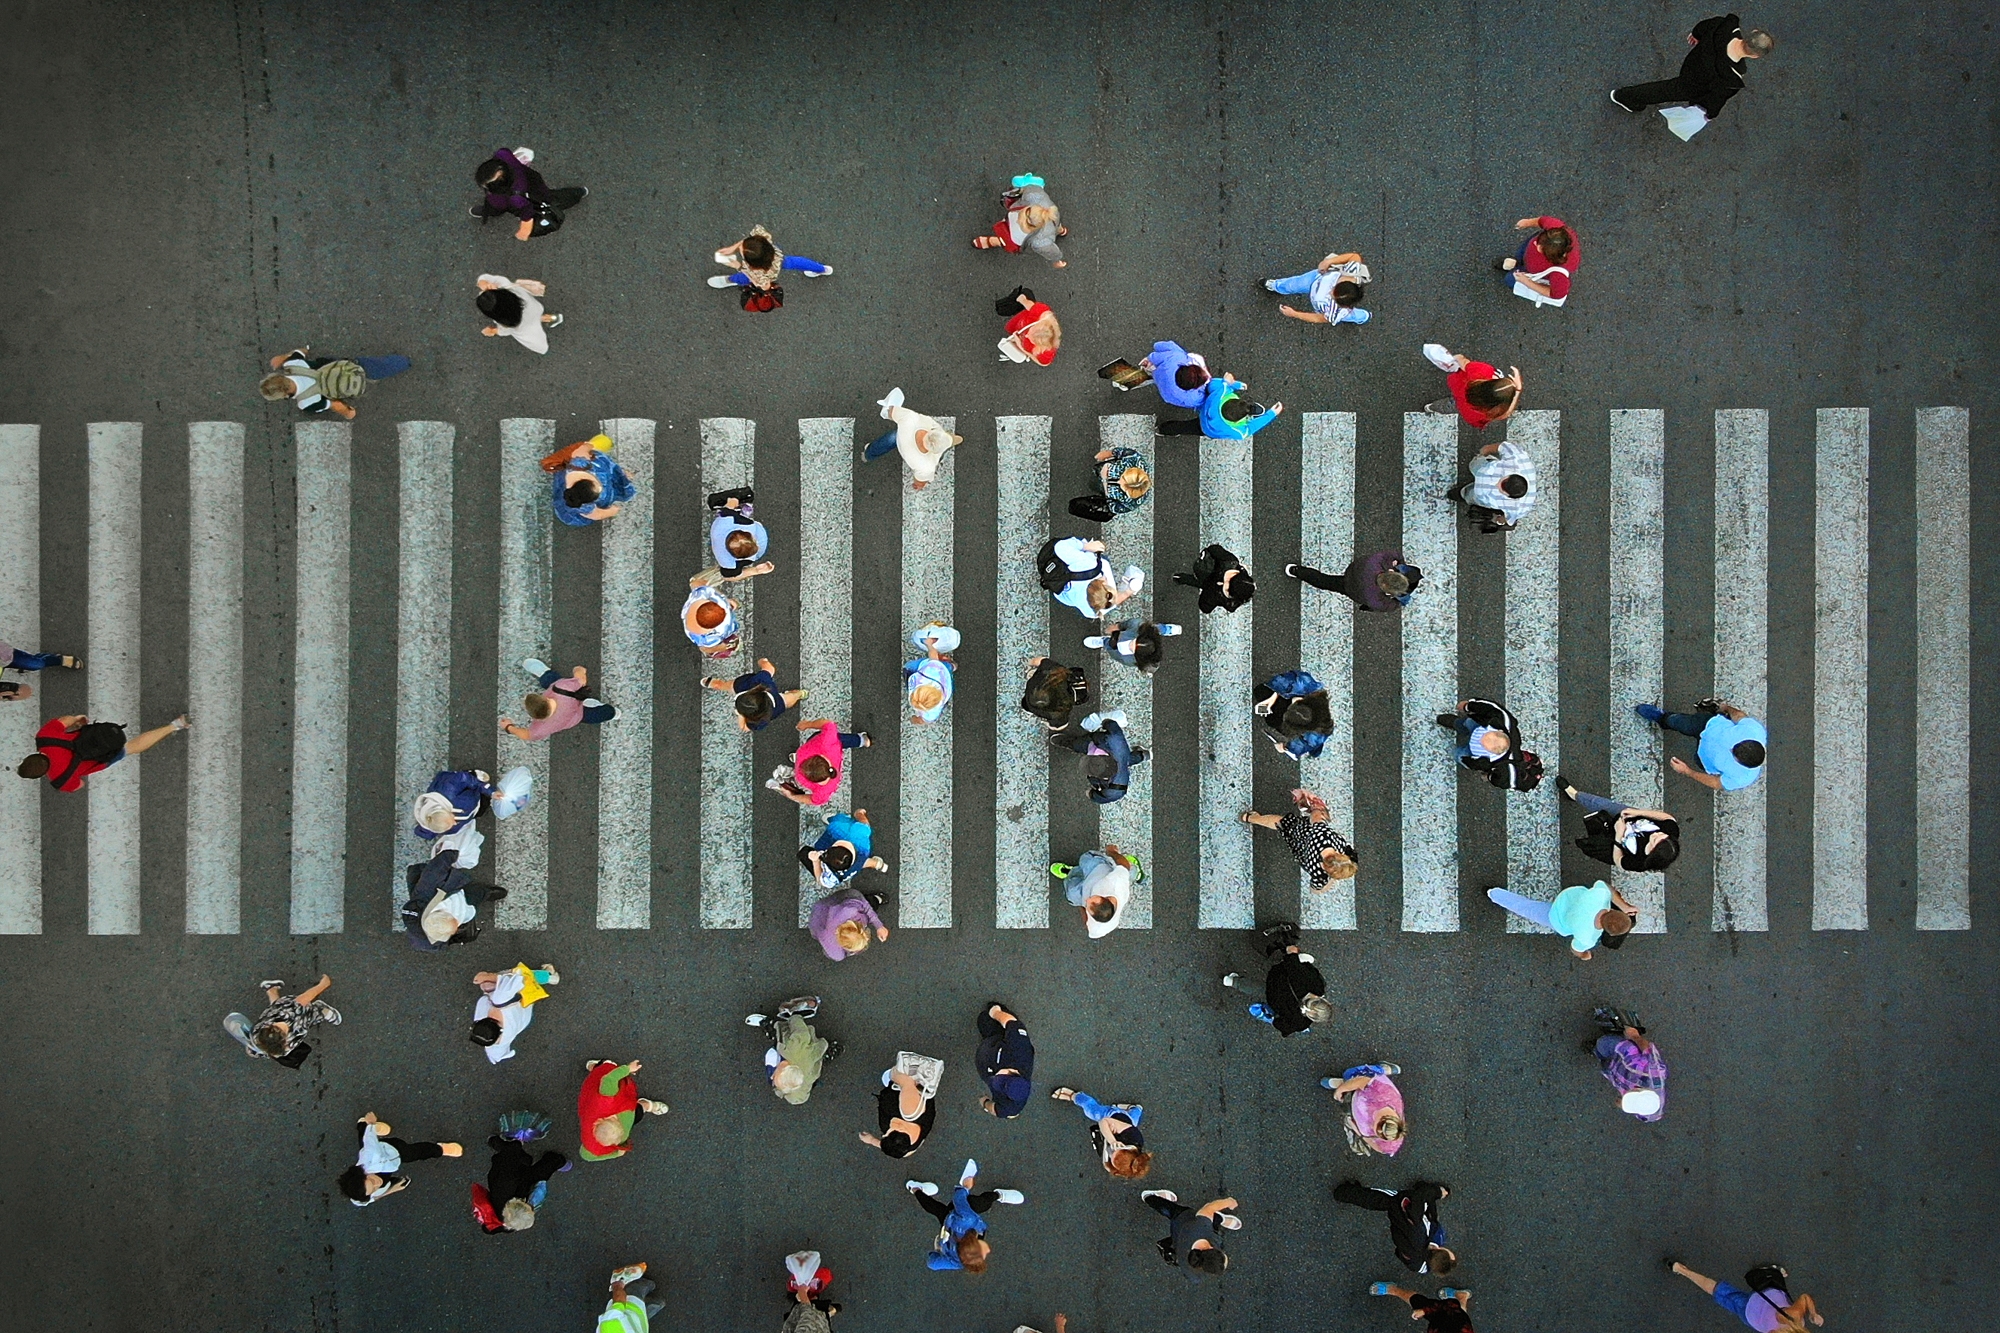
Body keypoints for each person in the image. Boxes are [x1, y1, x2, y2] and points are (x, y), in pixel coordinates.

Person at [1611, 17, 1775, 122]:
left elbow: (1705, 25)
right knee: (1666, 91)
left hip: (1693, 61)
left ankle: (1627, 97)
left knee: (1669, 88)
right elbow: (1715, 100)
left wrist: (1697, 34)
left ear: (1752, 33)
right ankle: (1625, 96)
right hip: (1694, 82)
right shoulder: (1730, 79)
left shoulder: (1724, 27)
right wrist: (1710, 114)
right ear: (1755, 56)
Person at [18, 712, 188, 792]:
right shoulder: (44, 738)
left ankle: (175, 725)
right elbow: (67, 720)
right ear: (30, 756)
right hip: (96, 734)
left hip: (103, 756)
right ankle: (176, 723)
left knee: (131, 748)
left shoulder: (60, 780)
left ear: (41, 775)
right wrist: (78, 720)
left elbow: (80, 785)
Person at [908, 1159, 1026, 1272]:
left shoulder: (967, 1219)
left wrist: (965, 1187)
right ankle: (915, 1189)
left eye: (983, 1252)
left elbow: (958, 1199)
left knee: (980, 1203)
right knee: (935, 1209)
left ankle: (999, 1195)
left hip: (957, 1216)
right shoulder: (957, 1262)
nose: (988, 1251)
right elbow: (932, 1264)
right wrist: (937, 1251)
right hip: (948, 1227)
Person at [1222, 922, 1333, 1035]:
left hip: (1277, 974)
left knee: (1294, 960)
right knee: (1259, 990)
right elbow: (1280, 1025)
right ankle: (1232, 981)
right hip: (1272, 994)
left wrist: (1292, 950)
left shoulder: (1315, 986)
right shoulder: (1300, 1023)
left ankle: (1275, 954)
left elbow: (1294, 963)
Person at [1635, 698, 1767, 791]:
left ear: (1741, 762)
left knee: (1696, 756)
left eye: (1733, 754)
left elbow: (1716, 783)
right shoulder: (1754, 730)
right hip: (1707, 725)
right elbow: (1738, 715)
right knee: (1677, 721)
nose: (1731, 748)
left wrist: (1687, 771)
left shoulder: (1743, 778)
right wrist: (1725, 707)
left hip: (1704, 759)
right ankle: (1663, 718)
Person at [1240, 790, 1357, 893]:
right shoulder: (1319, 874)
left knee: (1282, 822)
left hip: (1303, 831)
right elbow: (1316, 889)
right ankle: (1251, 818)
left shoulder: (1324, 837)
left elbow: (1316, 817)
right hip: (1301, 850)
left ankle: (1251, 817)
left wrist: (1315, 806)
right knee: (1285, 830)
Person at [1486, 880, 1638, 958]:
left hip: (1567, 898)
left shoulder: (1600, 896)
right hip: (1556, 919)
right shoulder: (1587, 937)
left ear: (1612, 909)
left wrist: (1624, 905)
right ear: (1608, 932)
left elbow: (1603, 885)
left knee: (1525, 905)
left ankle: (1493, 892)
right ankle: (1494, 895)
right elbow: (1576, 949)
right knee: (1527, 909)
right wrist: (1585, 955)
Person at [338, 1111, 462, 1206]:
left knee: (414, 1152)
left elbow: (369, 1140)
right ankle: (366, 1126)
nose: (377, 1184)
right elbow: (368, 1200)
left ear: (363, 1174)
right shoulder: (359, 1197)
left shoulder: (371, 1154)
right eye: (373, 1189)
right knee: (363, 1143)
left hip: (392, 1149)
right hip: (388, 1163)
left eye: (372, 1181)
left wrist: (371, 1124)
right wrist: (393, 1189)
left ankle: (439, 1149)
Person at [1557, 775, 1680, 871]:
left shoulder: (1641, 862)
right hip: (1627, 816)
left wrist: (1619, 835)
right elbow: (1667, 818)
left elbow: (1618, 860)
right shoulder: (1671, 832)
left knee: (1592, 840)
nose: (1656, 834)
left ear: (1652, 852)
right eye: (1661, 835)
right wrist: (1638, 812)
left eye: (1654, 840)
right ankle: (1574, 795)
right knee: (1598, 804)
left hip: (1614, 842)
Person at [1335, 1181, 1455, 1275]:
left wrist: (1438, 1192)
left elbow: (1419, 1198)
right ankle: (1347, 1193)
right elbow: (1399, 1253)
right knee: (1380, 1202)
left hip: (1402, 1208)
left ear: (1438, 1249)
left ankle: (1343, 1192)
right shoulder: (1419, 1266)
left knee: (1379, 1198)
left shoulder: (1422, 1229)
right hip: (1398, 1230)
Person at [1667, 1260, 1822, 1331]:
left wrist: (1813, 1314)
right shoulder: (1790, 1320)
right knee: (1716, 1290)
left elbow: (1805, 1298)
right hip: (1749, 1312)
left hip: (1767, 1298)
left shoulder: (1795, 1317)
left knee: (1772, 1283)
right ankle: (1681, 1270)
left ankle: (1771, 1272)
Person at [470, 146, 587, 240]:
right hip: (534, 183)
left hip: (533, 194)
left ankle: (575, 194)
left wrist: (524, 232)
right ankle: (578, 193)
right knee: (551, 197)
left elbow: (527, 214)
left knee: (552, 200)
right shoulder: (503, 155)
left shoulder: (516, 199)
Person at [258, 347, 410, 419]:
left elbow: (335, 405)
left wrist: (349, 413)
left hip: (352, 387)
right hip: (350, 368)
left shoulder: (306, 403)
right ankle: (404, 362)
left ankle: (402, 364)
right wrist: (283, 356)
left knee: (366, 382)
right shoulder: (293, 364)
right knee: (385, 365)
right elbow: (303, 350)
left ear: (284, 394)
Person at [401, 850, 507, 951]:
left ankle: (485, 893)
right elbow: (438, 946)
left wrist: (452, 853)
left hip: (455, 894)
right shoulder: (424, 941)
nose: (457, 928)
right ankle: (483, 894)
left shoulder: (426, 891)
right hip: (455, 902)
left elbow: (435, 869)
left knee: (474, 893)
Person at [223, 975, 339, 1067]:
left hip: (283, 1009)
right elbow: (305, 998)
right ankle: (321, 1010)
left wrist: (323, 985)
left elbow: (303, 999)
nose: (271, 1024)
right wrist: (324, 984)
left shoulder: (279, 1049)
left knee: (278, 1010)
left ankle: (323, 1012)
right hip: (283, 1009)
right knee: (309, 1013)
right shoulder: (290, 1015)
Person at [476, 1123, 569, 1233]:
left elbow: (508, 1159)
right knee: (537, 1170)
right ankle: (555, 1160)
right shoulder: (511, 1221)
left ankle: (501, 1144)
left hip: (509, 1171)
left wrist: (517, 1143)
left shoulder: (504, 1184)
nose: (531, 1206)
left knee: (518, 1156)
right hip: (521, 1185)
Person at [745, 995, 836, 1106]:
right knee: (789, 1035)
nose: (772, 1076)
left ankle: (773, 1027)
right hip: (807, 1054)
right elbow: (800, 1031)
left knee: (783, 1039)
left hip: (810, 1057)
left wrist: (779, 1090)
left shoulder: (795, 1053)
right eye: (775, 1075)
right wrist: (795, 1017)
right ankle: (777, 1026)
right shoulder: (795, 1046)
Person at [1436, 698, 1543, 791]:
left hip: (1472, 750)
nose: (1480, 740)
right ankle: (1457, 724)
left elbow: (1502, 780)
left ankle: (1460, 731)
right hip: (1479, 728)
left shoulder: (1496, 766)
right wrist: (1468, 706)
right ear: (1500, 731)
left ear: (1490, 754)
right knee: (1468, 723)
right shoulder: (1503, 722)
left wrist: (1490, 775)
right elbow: (1492, 708)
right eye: (1486, 736)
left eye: (1482, 745)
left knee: (1459, 755)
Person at [865, 388, 962, 491]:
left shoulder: (911, 419)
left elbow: (891, 412)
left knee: (888, 440)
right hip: (907, 451)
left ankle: (868, 454)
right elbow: (919, 481)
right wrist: (918, 486)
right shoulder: (926, 466)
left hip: (901, 437)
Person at [709, 224, 833, 304]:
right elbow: (749, 242)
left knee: (743, 277)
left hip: (765, 272)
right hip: (776, 257)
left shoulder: (756, 271)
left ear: (751, 263)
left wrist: (738, 266)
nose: (739, 249)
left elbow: (764, 285)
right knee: (795, 262)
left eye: (741, 252)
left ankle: (730, 280)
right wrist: (733, 248)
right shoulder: (763, 240)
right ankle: (821, 269)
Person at [502, 658, 616, 742]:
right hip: (572, 698)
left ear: (536, 717)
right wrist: (578, 669)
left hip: (577, 717)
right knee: (551, 680)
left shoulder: (540, 728)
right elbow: (580, 677)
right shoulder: (562, 687)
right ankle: (543, 672)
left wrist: (509, 727)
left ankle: (602, 709)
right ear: (544, 698)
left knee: (607, 714)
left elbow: (527, 735)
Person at [1049, 1086, 1151, 1178]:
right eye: (1116, 1149)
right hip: (1113, 1116)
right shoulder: (1131, 1135)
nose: (1111, 1151)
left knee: (1133, 1119)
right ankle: (1074, 1096)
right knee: (1092, 1110)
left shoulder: (1124, 1160)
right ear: (1127, 1148)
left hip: (1127, 1123)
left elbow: (1107, 1164)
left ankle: (1136, 1108)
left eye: (1111, 1155)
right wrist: (1112, 1141)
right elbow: (1104, 1121)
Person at [577, 1059, 668, 1162]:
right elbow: (585, 1155)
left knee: (602, 1071)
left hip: (599, 1093)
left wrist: (628, 1069)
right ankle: (645, 1105)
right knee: (637, 1113)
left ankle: (598, 1066)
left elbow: (608, 1079)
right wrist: (615, 1154)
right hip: (624, 1108)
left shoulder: (606, 1100)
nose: (616, 1117)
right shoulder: (592, 1142)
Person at [766, 718, 871, 807]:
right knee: (839, 739)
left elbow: (812, 800)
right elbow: (827, 724)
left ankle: (862, 740)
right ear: (820, 756)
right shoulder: (826, 741)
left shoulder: (819, 789)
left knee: (834, 739)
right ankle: (861, 740)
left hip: (833, 758)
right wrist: (808, 724)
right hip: (833, 748)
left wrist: (792, 796)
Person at [1586, 1006, 1667, 1120]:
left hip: (1616, 1073)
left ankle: (1598, 1053)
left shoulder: (1648, 1113)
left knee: (1605, 1063)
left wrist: (1624, 1104)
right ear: (1641, 1089)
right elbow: (1647, 1048)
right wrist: (1635, 1036)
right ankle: (1597, 1046)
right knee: (1603, 1044)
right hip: (1625, 1051)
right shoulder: (1653, 1069)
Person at [469, 963, 560, 1064]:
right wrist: (486, 976)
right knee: (512, 976)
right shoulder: (500, 999)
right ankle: (548, 975)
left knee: (488, 986)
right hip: (517, 997)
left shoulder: (494, 1047)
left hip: (523, 1017)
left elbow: (497, 1057)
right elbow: (519, 978)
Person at [1052, 710, 1148, 805]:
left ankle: (1143, 755)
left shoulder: (1115, 741)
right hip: (1118, 755)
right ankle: (1143, 755)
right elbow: (1093, 795)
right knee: (1125, 761)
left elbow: (1110, 724)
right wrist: (1091, 793)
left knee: (1126, 759)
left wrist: (1102, 723)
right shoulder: (1115, 790)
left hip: (1103, 746)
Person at [972, 173, 1068, 266]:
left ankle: (993, 241)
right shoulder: (1033, 198)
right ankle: (1060, 230)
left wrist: (1057, 259)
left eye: (1021, 224)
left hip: (1018, 238)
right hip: (1054, 220)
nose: (1018, 221)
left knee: (1005, 240)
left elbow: (1051, 251)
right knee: (1055, 225)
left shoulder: (1039, 241)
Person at [1139, 1190, 1239, 1277]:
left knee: (1168, 1209)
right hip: (1178, 1237)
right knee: (1211, 1223)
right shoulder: (1191, 1273)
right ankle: (1220, 1219)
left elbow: (1209, 1208)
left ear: (1211, 1248)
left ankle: (1149, 1197)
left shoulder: (1201, 1227)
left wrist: (1229, 1202)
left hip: (1183, 1218)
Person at [1041, 536, 1144, 620]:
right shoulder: (1090, 610)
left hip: (1060, 572)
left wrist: (1086, 546)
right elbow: (1112, 602)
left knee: (1095, 551)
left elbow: (1060, 547)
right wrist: (1128, 591)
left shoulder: (1088, 565)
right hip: (1060, 591)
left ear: (1102, 583)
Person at [1448, 439, 1538, 532]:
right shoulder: (1517, 459)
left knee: (1472, 492)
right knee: (1473, 492)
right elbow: (1503, 447)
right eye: (1502, 482)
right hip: (1483, 479)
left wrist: (1485, 451)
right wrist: (1498, 520)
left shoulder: (1518, 459)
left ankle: (1463, 493)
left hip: (1484, 474)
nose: (1496, 484)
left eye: (1501, 488)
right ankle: (1462, 493)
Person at [1158, 373, 1283, 440]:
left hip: (1205, 412)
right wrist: (1271, 414)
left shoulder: (1221, 393)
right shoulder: (1235, 431)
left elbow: (1213, 384)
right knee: (1188, 429)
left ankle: (1163, 428)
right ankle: (1163, 431)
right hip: (1206, 429)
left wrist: (1232, 384)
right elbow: (1250, 429)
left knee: (1183, 426)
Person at [1287, 550, 1422, 612]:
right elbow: (1392, 606)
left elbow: (1395, 554)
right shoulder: (1375, 599)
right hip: (1349, 587)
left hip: (1354, 571)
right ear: (1387, 589)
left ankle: (1296, 570)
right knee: (1324, 582)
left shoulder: (1375, 562)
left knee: (1324, 579)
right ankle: (1297, 572)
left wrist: (1397, 563)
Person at [1047, 845, 1139, 936]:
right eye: (1092, 898)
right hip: (1100, 869)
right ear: (1106, 898)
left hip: (1088, 883)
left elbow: (1086, 923)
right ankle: (1134, 869)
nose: (1087, 900)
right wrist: (1112, 852)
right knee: (1086, 858)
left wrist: (1082, 906)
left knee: (1071, 893)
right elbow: (1124, 866)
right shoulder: (1115, 884)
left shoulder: (1097, 928)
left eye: (1087, 904)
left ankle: (1074, 872)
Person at [1421, 346, 1520, 429]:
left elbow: (1464, 363)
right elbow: (1505, 414)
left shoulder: (1482, 372)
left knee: (1452, 399)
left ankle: (1431, 407)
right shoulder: (1492, 412)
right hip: (1464, 407)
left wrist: (1458, 357)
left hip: (1459, 387)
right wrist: (1518, 391)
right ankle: (1432, 408)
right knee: (1450, 406)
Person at [1262, 250, 1372, 326]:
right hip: (1316, 279)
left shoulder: (1335, 312)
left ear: (1341, 305)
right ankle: (1275, 286)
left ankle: (1362, 317)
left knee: (1350, 316)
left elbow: (1319, 318)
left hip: (1317, 287)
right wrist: (1328, 262)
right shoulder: (1349, 275)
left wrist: (1294, 314)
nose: (1329, 291)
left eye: (1332, 295)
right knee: (1293, 284)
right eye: (1334, 288)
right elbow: (1355, 257)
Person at [546, 434, 634, 526]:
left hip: (572, 487)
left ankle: (620, 476)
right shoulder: (583, 507)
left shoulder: (578, 465)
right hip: (575, 503)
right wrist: (611, 511)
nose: (601, 486)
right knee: (609, 483)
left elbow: (581, 449)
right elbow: (597, 514)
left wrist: (590, 445)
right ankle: (620, 477)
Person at [1320, 1063, 1406, 1157]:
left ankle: (1347, 1085)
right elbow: (1362, 1081)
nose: (1371, 1126)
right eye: (1375, 1124)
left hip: (1357, 1107)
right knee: (1349, 1074)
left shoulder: (1391, 1141)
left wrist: (1357, 1130)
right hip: (1365, 1086)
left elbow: (1378, 1146)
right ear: (1385, 1117)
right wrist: (1340, 1090)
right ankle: (1382, 1069)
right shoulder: (1382, 1094)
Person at [702, 657, 807, 734]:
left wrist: (762, 662)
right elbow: (769, 668)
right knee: (787, 701)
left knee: (729, 685)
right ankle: (799, 694)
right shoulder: (761, 682)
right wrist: (763, 662)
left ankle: (719, 685)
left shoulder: (760, 720)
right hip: (776, 705)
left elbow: (744, 728)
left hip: (741, 685)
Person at [1495, 216, 1578, 308]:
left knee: (1509, 280)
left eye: (1542, 249)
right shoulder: (1557, 233)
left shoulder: (1559, 274)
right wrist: (1527, 222)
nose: (1536, 245)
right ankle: (1517, 263)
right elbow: (1542, 221)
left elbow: (1556, 294)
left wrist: (1527, 282)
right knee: (1520, 255)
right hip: (1528, 257)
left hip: (1532, 273)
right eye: (1539, 241)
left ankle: (1515, 266)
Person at [801, 811, 890, 896]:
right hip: (860, 853)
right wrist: (859, 814)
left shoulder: (836, 827)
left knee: (805, 852)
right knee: (861, 861)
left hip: (845, 838)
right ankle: (876, 864)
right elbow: (865, 824)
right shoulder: (860, 846)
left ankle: (876, 864)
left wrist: (815, 861)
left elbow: (822, 881)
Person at [1254, 670, 1335, 760]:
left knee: (1272, 720)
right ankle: (1315, 751)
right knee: (1260, 692)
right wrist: (1272, 699)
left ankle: (1315, 751)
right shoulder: (1302, 683)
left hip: (1313, 736)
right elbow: (1282, 682)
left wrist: (1284, 747)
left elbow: (1298, 746)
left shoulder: (1316, 735)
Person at [701, 488, 775, 584]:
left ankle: (741, 508)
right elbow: (728, 577)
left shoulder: (724, 522)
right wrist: (756, 571)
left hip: (755, 547)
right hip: (758, 536)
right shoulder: (727, 564)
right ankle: (742, 508)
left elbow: (729, 577)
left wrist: (756, 570)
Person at [862, 1065, 936, 1158]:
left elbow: (906, 1153)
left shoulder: (908, 1146)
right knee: (896, 1075)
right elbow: (907, 1081)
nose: (884, 1133)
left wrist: (872, 1140)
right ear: (900, 1129)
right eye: (887, 1134)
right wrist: (893, 1074)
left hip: (903, 1096)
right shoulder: (909, 1110)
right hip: (911, 1089)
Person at [476, 274, 562, 352]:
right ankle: (550, 318)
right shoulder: (505, 285)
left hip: (525, 322)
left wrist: (492, 331)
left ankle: (547, 318)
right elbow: (484, 277)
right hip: (533, 308)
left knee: (534, 324)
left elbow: (505, 331)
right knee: (535, 317)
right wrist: (485, 284)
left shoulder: (511, 323)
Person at [975, 1003, 1035, 1118]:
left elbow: (995, 1110)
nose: (997, 1075)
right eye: (1002, 1077)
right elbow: (1012, 1023)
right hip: (995, 1038)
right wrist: (995, 1012)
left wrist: (985, 1103)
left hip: (984, 1060)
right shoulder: (1020, 1050)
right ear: (1015, 1072)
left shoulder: (1011, 1107)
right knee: (984, 1019)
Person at [807, 881, 890, 961]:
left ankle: (875, 899)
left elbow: (863, 904)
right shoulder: (848, 913)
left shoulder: (849, 911)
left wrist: (879, 926)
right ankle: (876, 899)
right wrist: (878, 926)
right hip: (823, 915)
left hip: (823, 912)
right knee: (864, 904)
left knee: (857, 897)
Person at [411, 767, 497, 843]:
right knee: (483, 807)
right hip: (470, 806)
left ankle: (473, 774)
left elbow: (464, 778)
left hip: (468, 794)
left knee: (471, 782)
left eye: (452, 819)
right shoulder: (434, 823)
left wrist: (490, 791)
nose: (455, 823)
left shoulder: (448, 789)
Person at [1173, 543, 1254, 613]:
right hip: (1210, 572)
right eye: (1228, 579)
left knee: (1202, 583)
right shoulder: (1229, 562)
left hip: (1209, 585)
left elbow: (1205, 607)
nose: (1221, 583)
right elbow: (1214, 549)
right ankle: (1181, 579)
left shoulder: (1228, 602)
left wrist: (1212, 595)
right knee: (1203, 581)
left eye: (1226, 589)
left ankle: (1182, 579)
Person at [1083, 619, 1181, 676]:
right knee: (1154, 628)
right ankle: (1166, 629)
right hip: (1144, 632)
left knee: (1112, 649)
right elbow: (1122, 625)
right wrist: (1115, 628)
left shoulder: (1132, 660)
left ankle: (1105, 642)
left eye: (1132, 649)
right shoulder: (1137, 625)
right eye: (1134, 641)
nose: (1129, 645)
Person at [904, 625, 958, 725]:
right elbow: (933, 658)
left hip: (945, 682)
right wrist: (929, 645)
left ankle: (952, 667)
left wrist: (914, 719)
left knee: (910, 667)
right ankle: (952, 665)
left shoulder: (933, 710)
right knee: (947, 666)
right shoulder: (930, 673)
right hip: (940, 672)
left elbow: (923, 720)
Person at [1019, 657, 1091, 731]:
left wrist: (1030, 662)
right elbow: (1060, 727)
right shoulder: (1058, 714)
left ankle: (1034, 673)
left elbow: (1038, 660)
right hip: (1036, 706)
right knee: (1026, 705)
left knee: (1025, 703)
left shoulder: (1052, 669)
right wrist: (1049, 724)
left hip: (1038, 685)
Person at [1367, 1284, 1474, 1333]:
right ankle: (1393, 1289)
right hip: (1444, 1316)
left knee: (1461, 1314)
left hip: (1445, 1324)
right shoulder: (1461, 1327)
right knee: (1418, 1302)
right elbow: (1451, 1305)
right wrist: (1425, 1310)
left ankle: (1462, 1296)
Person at [0, 637, 80, 702]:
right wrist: (14, 690)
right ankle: (26, 664)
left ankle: (57, 659)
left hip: (4, 657)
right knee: (33, 664)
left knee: (36, 664)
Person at [997, 287, 1061, 366]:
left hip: (1020, 325)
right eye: (1031, 331)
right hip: (1019, 322)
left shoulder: (1046, 353)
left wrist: (1022, 348)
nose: (1026, 335)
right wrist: (1021, 299)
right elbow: (1023, 300)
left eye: (1032, 339)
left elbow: (1044, 364)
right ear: (1038, 323)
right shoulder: (1040, 312)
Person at [1142, 340, 1212, 409]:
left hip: (1158, 375)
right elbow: (1202, 401)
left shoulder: (1176, 356)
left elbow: (1157, 345)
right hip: (1167, 396)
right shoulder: (1194, 399)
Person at [598, 1262, 666, 1332]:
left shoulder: (611, 1326)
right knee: (659, 1303)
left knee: (649, 1285)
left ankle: (619, 1278)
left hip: (629, 1304)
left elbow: (618, 1301)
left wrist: (617, 1285)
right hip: (638, 1324)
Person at [681, 585, 742, 658]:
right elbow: (704, 648)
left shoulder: (700, 594)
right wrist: (723, 647)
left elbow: (699, 584)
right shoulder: (716, 634)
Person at [1092, 443, 1153, 516]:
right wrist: (1104, 455)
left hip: (1103, 491)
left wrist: (1105, 489)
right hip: (1103, 470)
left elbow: (1112, 507)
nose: (1119, 482)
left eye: (1124, 488)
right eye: (1123, 477)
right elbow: (1116, 452)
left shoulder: (1132, 503)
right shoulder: (1134, 458)